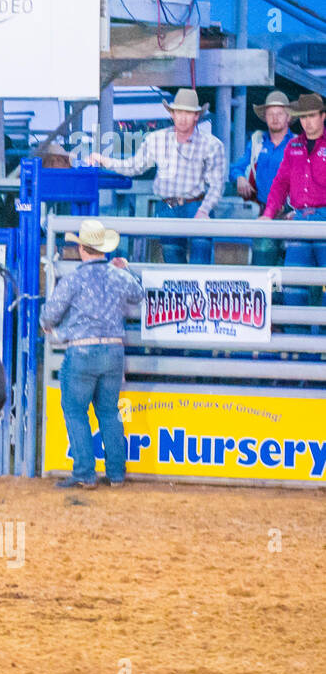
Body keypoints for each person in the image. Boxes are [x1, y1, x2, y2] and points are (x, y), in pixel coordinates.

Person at [40, 218, 144, 490]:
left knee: (75, 411)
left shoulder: (74, 279)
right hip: (114, 350)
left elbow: (49, 314)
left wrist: (52, 328)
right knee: (109, 411)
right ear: (104, 249)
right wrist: (127, 270)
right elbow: (138, 294)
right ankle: (116, 474)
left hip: (83, 350)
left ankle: (85, 473)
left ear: (82, 249)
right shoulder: (118, 275)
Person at [88, 89, 226, 264]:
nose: (183, 117)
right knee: (172, 262)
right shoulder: (156, 139)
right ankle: (177, 292)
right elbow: (134, 166)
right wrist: (104, 161)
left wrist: (204, 209)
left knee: (200, 265)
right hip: (168, 207)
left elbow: (216, 184)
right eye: (179, 112)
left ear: (196, 116)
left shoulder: (212, 145)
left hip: (198, 204)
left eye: (188, 113)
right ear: (172, 114)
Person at [261, 93, 326, 320]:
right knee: (293, 288)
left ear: (322, 116)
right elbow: (280, 183)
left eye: (312, 116)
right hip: (299, 220)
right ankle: (298, 346)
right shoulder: (293, 146)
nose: (307, 122)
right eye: (303, 117)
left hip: (323, 220)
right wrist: (269, 214)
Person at [232, 90, 294, 266]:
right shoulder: (257, 143)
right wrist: (239, 178)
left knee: (295, 271)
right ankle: (273, 294)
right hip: (264, 214)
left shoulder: (298, 144)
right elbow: (236, 167)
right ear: (265, 117)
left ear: (288, 117)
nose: (275, 118)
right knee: (263, 269)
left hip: (291, 215)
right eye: (270, 114)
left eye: (279, 113)